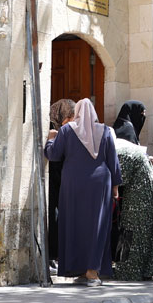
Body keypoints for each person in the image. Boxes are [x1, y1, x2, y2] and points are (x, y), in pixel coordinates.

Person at [43, 98, 122, 286]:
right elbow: (113, 161)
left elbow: (53, 155)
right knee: (97, 226)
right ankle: (91, 272)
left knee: (74, 224)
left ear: (76, 112)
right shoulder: (105, 131)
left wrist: (49, 140)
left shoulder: (66, 130)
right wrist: (116, 187)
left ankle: (78, 269)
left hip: (73, 183)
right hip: (100, 184)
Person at [112, 118, 153, 280]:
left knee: (130, 230)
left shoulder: (120, 150)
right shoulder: (131, 148)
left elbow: (121, 177)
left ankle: (129, 270)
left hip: (139, 196)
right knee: (147, 231)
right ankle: (146, 269)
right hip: (150, 192)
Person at [46, 98, 76, 273]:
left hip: (65, 180)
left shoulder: (68, 132)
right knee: (54, 216)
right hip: (54, 182)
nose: (73, 120)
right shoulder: (53, 132)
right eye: (70, 116)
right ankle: (51, 255)